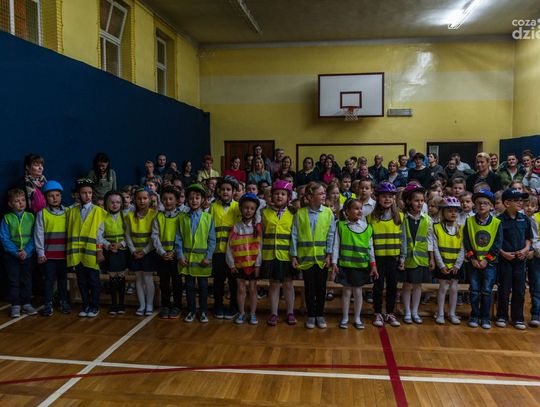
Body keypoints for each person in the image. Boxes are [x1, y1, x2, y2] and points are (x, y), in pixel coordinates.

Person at [290, 181, 335, 329]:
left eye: (324, 193)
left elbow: (331, 235)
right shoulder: (300, 213)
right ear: (310, 197)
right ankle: (311, 315)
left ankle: (320, 315)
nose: (324, 196)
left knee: (321, 288)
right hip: (305, 258)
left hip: (322, 258)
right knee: (309, 288)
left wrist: (329, 255)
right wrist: (294, 256)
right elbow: (294, 235)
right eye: (320, 193)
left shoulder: (328, 212)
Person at [332, 198, 378, 329]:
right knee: (346, 292)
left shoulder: (367, 228)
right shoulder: (340, 226)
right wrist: (334, 263)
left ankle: (357, 318)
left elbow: (370, 248)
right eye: (356, 208)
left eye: (360, 208)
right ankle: (345, 317)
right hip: (346, 266)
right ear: (347, 211)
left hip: (361, 266)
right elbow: (336, 245)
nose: (359, 211)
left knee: (358, 292)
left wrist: (373, 265)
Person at [66, 179, 107, 318]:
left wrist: (99, 250)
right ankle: (86, 305)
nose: (87, 195)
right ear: (78, 194)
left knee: (94, 281)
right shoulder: (71, 211)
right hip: (77, 254)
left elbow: (100, 234)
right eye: (84, 193)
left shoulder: (99, 211)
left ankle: (95, 306)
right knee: (81, 282)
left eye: (89, 192)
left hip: (91, 253)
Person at [176, 183, 215, 323]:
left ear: (203, 200)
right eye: (191, 198)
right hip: (187, 260)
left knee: (203, 287)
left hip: (203, 261)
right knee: (189, 287)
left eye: (197, 197)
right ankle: (191, 311)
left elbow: (212, 240)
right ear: (187, 200)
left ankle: (203, 311)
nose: (194, 200)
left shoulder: (208, 218)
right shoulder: (181, 218)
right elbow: (178, 239)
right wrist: (180, 256)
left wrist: (208, 257)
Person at [368, 182, 405, 327]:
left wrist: (402, 257)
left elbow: (403, 239)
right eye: (384, 196)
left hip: (393, 258)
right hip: (378, 259)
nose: (387, 199)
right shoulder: (371, 217)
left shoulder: (400, 216)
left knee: (392, 287)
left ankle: (390, 313)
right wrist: (372, 261)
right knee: (377, 287)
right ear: (377, 198)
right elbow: (369, 241)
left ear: (394, 198)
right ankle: (377, 312)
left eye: (390, 196)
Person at [464, 189, 502, 329]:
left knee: (486, 290)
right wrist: (473, 258)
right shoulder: (469, 221)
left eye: (485, 203)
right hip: (473, 263)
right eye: (479, 203)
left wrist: (487, 259)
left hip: (489, 263)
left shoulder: (497, 223)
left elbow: (497, 244)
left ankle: (485, 317)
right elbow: (467, 242)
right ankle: (474, 315)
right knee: (474, 290)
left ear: (491, 206)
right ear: (474, 204)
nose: (481, 205)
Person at [496, 188, 532, 330]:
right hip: (505, 260)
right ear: (506, 203)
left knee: (519, 290)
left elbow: (528, 238)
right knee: (504, 289)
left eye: (522, 200)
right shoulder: (499, 220)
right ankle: (502, 316)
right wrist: (503, 253)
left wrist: (526, 249)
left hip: (520, 261)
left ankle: (518, 318)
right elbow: (495, 242)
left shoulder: (525, 219)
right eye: (517, 200)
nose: (520, 203)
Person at [262, 181, 296, 326]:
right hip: (270, 255)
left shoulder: (293, 214)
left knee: (288, 284)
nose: (279, 196)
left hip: (287, 256)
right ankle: (274, 313)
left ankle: (290, 312)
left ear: (288, 197)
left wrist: (294, 255)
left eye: (283, 194)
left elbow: (295, 236)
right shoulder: (264, 213)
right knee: (274, 285)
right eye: (276, 194)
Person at [34, 180, 70, 316]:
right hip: (49, 255)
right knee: (48, 280)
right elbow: (38, 234)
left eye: (57, 195)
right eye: (51, 196)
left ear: (61, 196)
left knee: (63, 280)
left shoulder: (68, 212)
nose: (55, 198)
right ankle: (48, 304)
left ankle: (63, 302)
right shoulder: (42, 214)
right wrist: (40, 253)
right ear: (45, 198)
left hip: (64, 254)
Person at [226, 193, 262, 325]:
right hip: (239, 264)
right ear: (241, 208)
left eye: (252, 208)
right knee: (240, 289)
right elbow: (229, 247)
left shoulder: (257, 228)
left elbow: (260, 247)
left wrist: (258, 265)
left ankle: (252, 313)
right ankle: (241, 313)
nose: (248, 211)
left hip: (252, 265)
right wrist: (231, 264)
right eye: (246, 208)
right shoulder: (236, 227)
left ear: (255, 210)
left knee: (253, 289)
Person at [1, 188, 37, 318]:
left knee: (26, 280)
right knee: (14, 281)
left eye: (23, 200)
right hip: (12, 256)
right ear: (10, 204)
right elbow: (4, 238)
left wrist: (26, 251)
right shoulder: (7, 218)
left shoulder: (31, 217)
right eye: (17, 201)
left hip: (28, 255)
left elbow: (34, 236)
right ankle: (15, 305)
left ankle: (26, 303)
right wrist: (16, 252)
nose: (21, 203)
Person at [210, 176, 242, 319]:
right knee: (218, 281)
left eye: (228, 189)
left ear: (234, 191)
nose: (225, 192)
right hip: (217, 251)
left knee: (233, 281)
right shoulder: (213, 207)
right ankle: (218, 305)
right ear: (218, 191)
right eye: (222, 189)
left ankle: (234, 306)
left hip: (233, 253)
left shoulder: (238, 207)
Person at [401, 183, 433, 324]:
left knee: (418, 285)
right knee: (407, 285)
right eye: (416, 200)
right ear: (409, 201)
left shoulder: (427, 219)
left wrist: (431, 258)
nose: (420, 203)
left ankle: (415, 311)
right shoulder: (402, 218)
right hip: (407, 258)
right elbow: (401, 239)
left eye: (422, 201)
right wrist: (401, 258)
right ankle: (407, 311)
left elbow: (430, 240)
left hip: (421, 258)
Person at [432, 197, 465, 325]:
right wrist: (441, 265)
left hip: (456, 265)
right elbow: (435, 248)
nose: (453, 213)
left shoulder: (461, 228)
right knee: (443, 287)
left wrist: (457, 265)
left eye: (456, 211)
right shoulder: (436, 227)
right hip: (443, 264)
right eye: (450, 211)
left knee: (454, 288)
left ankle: (452, 313)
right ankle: (440, 313)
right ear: (443, 212)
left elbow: (463, 248)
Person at [125, 187, 157, 316]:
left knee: (148, 278)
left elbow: (154, 237)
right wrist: (133, 250)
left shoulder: (154, 215)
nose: (142, 201)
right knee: (138, 278)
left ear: (149, 199)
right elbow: (127, 235)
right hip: (135, 253)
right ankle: (142, 305)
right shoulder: (129, 216)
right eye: (139, 198)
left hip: (148, 252)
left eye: (145, 198)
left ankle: (149, 305)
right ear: (135, 200)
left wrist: (144, 251)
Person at [152, 187, 182, 319]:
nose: (168, 201)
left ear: (177, 201)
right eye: (165, 199)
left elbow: (182, 236)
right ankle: (165, 305)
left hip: (176, 256)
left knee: (177, 282)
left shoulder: (181, 217)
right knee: (164, 282)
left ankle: (177, 306)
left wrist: (174, 252)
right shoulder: (158, 216)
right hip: (162, 256)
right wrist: (162, 252)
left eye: (171, 199)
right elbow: (155, 236)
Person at [99, 190, 128, 315]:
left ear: (121, 204)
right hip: (109, 251)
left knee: (121, 278)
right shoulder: (102, 217)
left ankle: (121, 304)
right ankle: (114, 304)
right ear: (106, 203)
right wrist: (107, 245)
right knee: (112, 279)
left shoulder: (125, 217)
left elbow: (129, 235)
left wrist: (121, 244)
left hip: (121, 251)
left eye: (118, 202)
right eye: (112, 202)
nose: (115, 204)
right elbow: (99, 235)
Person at [528, 195, 540, 327]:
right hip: (537, 257)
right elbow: (534, 239)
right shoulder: (535, 218)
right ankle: (536, 313)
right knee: (536, 286)